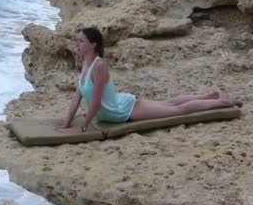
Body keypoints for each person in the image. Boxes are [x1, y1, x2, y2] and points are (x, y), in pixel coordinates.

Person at [58, 27, 242, 134]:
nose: (77, 44)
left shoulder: (99, 66)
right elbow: (77, 97)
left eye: (81, 41)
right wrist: (66, 123)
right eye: (78, 41)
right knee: (168, 103)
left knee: (177, 110)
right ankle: (208, 96)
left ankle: (222, 102)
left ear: (93, 44)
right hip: (116, 105)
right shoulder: (85, 64)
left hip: (124, 110)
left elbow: (96, 103)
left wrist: (81, 128)